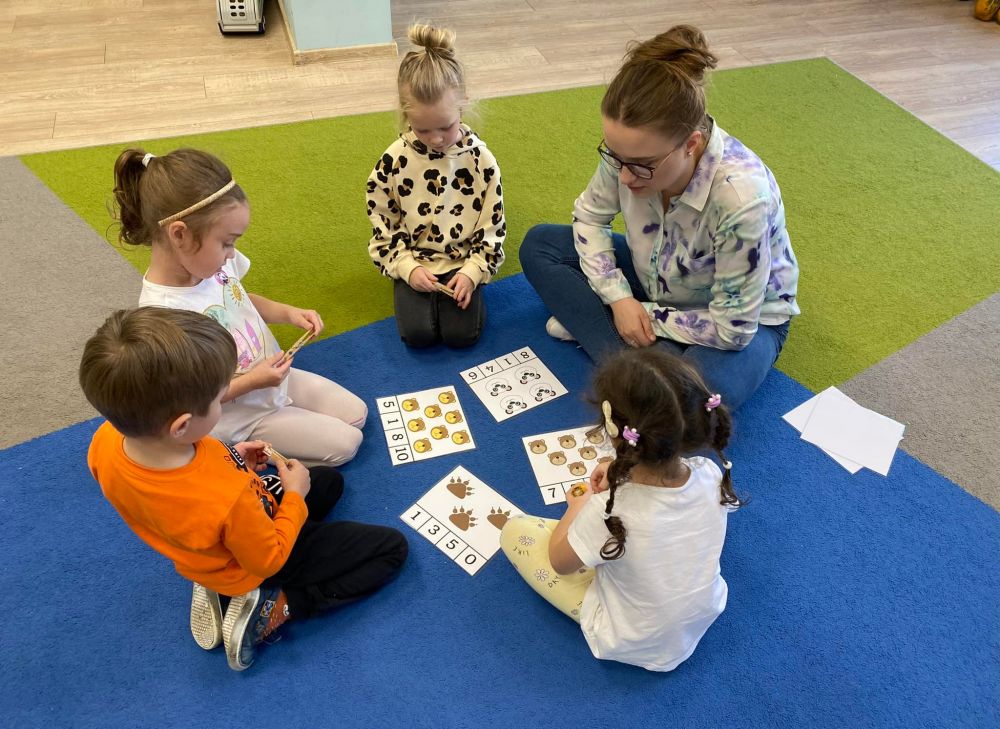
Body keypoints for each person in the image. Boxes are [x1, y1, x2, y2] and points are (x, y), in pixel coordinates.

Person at [81, 307, 408, 671]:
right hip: (254, 561)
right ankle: (279, 603)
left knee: (328, 482)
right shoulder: (226, 498)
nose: (225, 399)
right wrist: (294, 497)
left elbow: (175, 489)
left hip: (206, 544)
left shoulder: (105, 442)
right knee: (391, 549)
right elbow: (269, 557)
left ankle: (211, 578)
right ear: (182, 426)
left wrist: (233, 457)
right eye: (219, 398)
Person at [520, 24, 799, 411]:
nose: (624, 176)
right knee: (541, 245)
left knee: (699, 397)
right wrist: (619, 299)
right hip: (654, 278)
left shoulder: (742, 198)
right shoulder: (630, 156)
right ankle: (645, 364)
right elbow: (589, 218)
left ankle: (622, 348)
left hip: (738, 320)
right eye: (615, 156)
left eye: (642, 165)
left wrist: (644, 316)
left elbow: (732, 329)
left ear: (691, 145)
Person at [112, 146, 367, 466]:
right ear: (180, 234)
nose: (232, 253)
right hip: (242, 416)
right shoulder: (162, 315)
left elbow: (239, 299)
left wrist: (288, 313)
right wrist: (254, 381)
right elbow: (194, 400)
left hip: (275, 379)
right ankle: (238, 453)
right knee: (347, 444)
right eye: (227, 242)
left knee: (357, 414)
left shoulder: (210, 262)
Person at [500, 347, 743, 672]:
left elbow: (560, 563)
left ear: (611, 428)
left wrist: (578, 507)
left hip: (631, 639)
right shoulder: (709, 473)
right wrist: (618, 467)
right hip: (701, 613)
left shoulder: (607, 511)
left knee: (515, 530)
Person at [366, 23, 506, 348]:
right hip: (415, 259)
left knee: (462, 336)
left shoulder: (481, 161)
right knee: (418, 335)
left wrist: (472, 272)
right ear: (406, 116)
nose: (437, 140)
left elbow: (493, 227)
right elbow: (384, 224)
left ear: (463, 103)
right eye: (423, 130)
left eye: (446, 126)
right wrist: (407, 268)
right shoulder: (393, 161)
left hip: (463, 259)